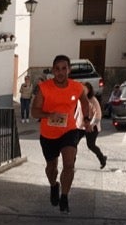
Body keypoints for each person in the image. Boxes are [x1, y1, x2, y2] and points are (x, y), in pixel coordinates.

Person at [32, 55, 89, 213]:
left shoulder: (77, 87)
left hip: (69, 131)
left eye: (64, 68)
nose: (60, 72)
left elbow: (84, 102)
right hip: (48, 134)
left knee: (69, 164)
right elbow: (34, 111)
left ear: (69, 70)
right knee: (52, 168)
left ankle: (64, 196)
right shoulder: (44, 88)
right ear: (53, 71)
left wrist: (87, 120)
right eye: (57, 69)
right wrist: (48, 115)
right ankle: (53, 185)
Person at [81, 83, 108, 170]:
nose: (84, 91)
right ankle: (71, 163)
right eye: (82, 89)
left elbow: (98, 114)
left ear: (89, 90)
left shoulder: (93, 100)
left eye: (86, 89)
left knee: (91, 145)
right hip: (81, 125)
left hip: (92, 126)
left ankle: (102, 158)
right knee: (73, 143)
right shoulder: (80, 99)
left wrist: (91, 125)